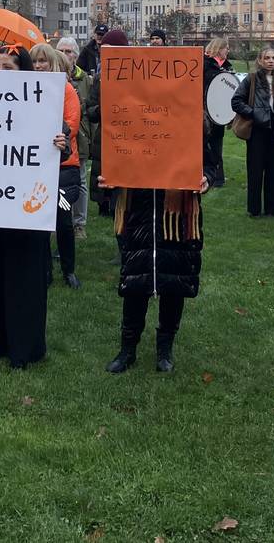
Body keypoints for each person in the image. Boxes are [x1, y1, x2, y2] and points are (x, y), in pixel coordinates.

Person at [0, 45, 68, 368]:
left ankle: (23, 347)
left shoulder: (45, 106)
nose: (0, 73)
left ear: (22, 72)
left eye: (8, 67)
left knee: (23, 278)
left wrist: (60, 145)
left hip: (25, 210)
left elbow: (61, 149)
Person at [101, 131, 214, 374]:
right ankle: (127, 349)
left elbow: (208, 161)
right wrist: (108, 178)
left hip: (176, 216)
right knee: (134, 282)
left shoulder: (189, 116)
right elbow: (114, 152)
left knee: (174, 281)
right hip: (138, 211)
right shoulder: (130, 110)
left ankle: (165, 349)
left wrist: (207, 177)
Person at [31, 43, 81, 289]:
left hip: (64, 166)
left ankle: (68, 270)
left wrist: (52, 134)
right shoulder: (24, 90)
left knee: (62, 220)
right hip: (34, 165)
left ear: (52, 64)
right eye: (35, 61)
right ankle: (45, 270)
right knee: (37, 220)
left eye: (43, 61)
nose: (39, 66)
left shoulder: (65, 90)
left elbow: (71, 124)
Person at [231, 48, 274, 217]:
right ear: (260, 60)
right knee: (256, 170)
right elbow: (236, 101)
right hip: (257, 130)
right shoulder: (251, 79)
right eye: (267, 58)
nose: (271, 61)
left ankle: (273, 208)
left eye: (273, 58)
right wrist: (253, 113)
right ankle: (254, 208)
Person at [86, 29, 129, 217]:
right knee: (103, 168)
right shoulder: (99, 78)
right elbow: (90, 109)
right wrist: (102, 109)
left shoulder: (134, 78)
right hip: (105, 135)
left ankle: (121, 200)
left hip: (128, 136)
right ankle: (104, 203)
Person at [56, 36, 92, 239]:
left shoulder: (84, 79)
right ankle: (61, 219)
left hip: (81, 137)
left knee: (80, 181)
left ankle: (79, 223)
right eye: (61, 50)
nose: (65, 54)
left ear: (76, 56)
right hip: (61, 139)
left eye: (69, 51)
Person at [203, 36, 233, 188]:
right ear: (218, 48)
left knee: (217, 145)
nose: (228, 50)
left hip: (219, 113)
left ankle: (218, 177)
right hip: (205, 112)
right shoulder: (205, 64)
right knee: (205, 145)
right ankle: (208, 176)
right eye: (226, 48)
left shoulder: (227, 67)